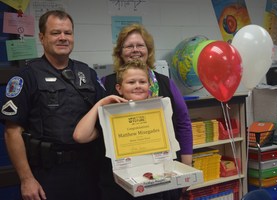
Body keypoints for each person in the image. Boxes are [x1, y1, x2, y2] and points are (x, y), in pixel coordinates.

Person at [0, 10, 104, 200]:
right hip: (47, 173)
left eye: (68, 33)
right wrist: (26, 179)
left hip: (88, 170)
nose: (63, 38)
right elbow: (12, 131)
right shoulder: (27, 76)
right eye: (56, 33)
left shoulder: (86, 73)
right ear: (42, 37)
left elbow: (106, 116)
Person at [100, 23, 193, 200]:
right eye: (129, 46)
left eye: (140, 45)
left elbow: (183, 123)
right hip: (122, 174)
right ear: (120, 52)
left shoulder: (165, 83)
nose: (135, 50)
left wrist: (186, 164)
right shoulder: (106, 83)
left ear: (148, 50)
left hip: (163, 170)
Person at [73, 59, 164, 200]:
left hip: (151, 185)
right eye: (131, 82)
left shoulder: (157, 112)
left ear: (149, 85)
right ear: (119, 88)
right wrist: (101, 103)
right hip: (117, 188)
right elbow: (80, 136)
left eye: (142, 82)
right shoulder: (110, 114)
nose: (138, 86)